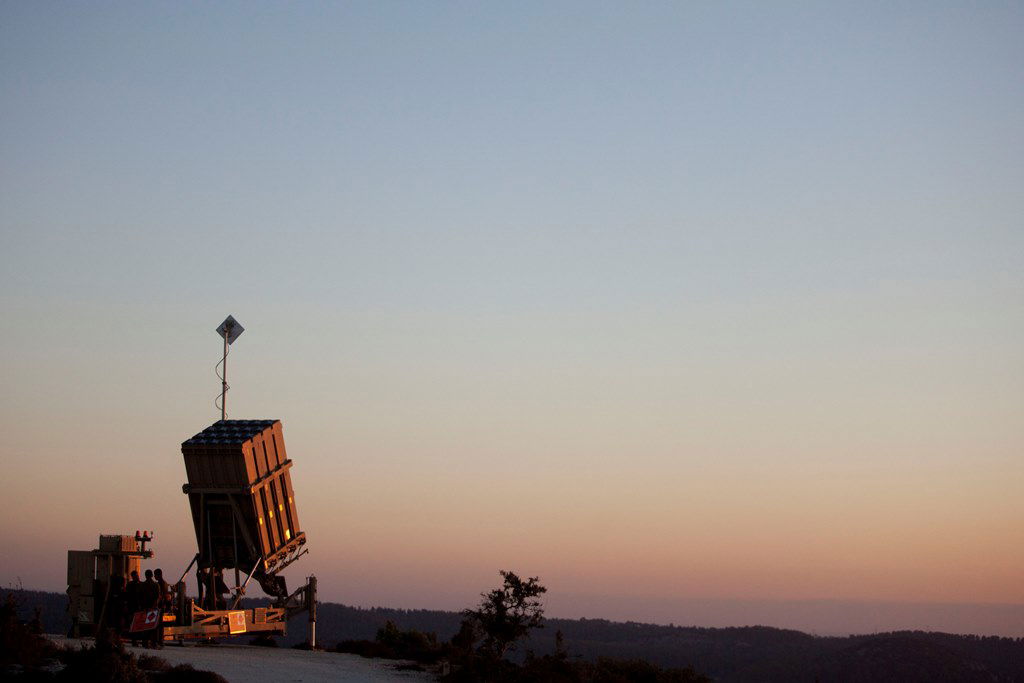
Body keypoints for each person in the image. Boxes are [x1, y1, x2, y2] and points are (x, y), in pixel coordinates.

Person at [124, 570, 142, 646]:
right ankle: (134, 640)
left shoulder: (140, 584)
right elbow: (127, 595)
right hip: (132, 607)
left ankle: (136, 639)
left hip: (137, 607)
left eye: (137, 575)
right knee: (132, 624)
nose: (137, 577)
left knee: (137, 624)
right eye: (135, 576)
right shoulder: (130, 585)